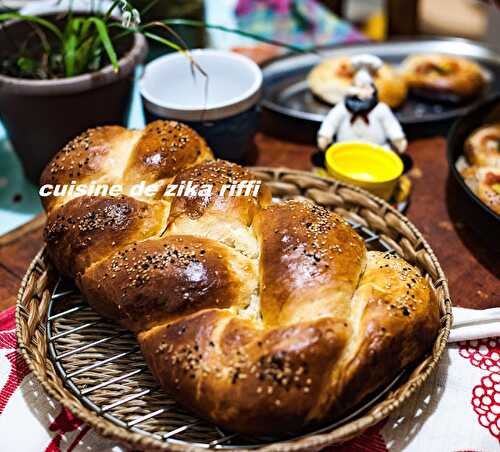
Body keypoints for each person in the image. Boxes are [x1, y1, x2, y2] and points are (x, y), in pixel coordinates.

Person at [317, 54, 407, 153]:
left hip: (376, 151)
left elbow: (391, 124)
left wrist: (398, 139)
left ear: (373, 90)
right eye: (358, 88)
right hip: (344, 150)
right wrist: (325, 136)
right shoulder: (342, 108)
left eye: (366, 88)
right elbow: (331, 122)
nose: (361, 92)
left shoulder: (381, 109)